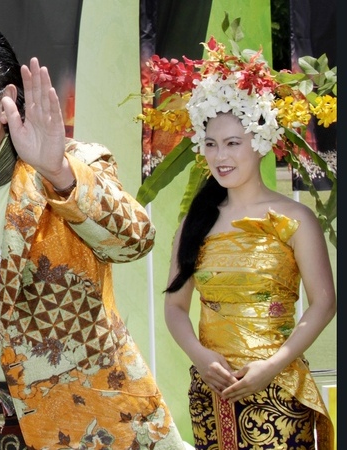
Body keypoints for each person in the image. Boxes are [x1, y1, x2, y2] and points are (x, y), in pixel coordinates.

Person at [0, 20, 185, 449]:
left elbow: (135, 241)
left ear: (5, 104)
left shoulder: (68, 166)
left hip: (84, 423)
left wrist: (58, 173)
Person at [158, 39, 336, 449]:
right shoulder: (195, 222)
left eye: (233, 143)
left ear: (261, 143)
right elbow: (175, 306)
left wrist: (272, 366)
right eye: (211, 143)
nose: (220, 155)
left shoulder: (294, 219)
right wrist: (202, 359)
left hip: (279, 390)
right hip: (211, 394)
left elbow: (324, 303)